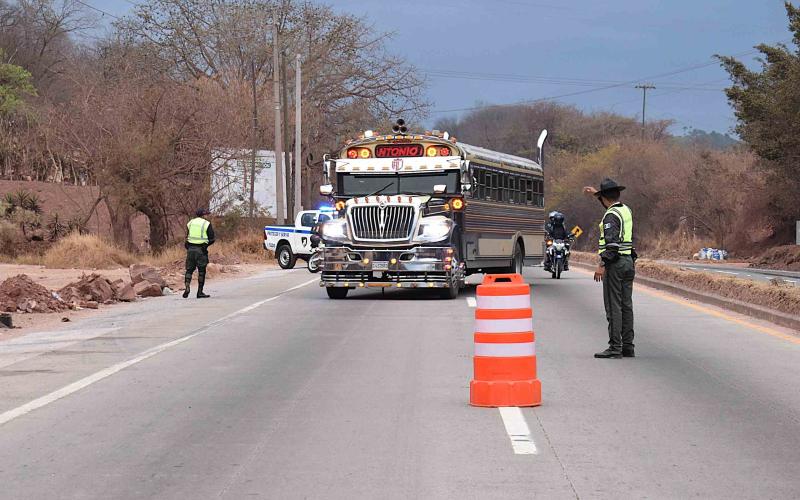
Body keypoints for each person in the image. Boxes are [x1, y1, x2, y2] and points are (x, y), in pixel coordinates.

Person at [582, 178, 636, 359]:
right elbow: (610, 207)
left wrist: (601, 265)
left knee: (613, 307)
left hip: (616, 264)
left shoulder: (610, 216)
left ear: (605, 198)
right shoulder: (625, 210)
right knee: (626, 306)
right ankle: (628, 346)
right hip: (628, 262)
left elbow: (611, 244)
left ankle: (615, 348)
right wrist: (597, 194)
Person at [184, 208, 215, 299]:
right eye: (206, 214)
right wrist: (205, 246)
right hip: (201, 250)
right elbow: (212, 239)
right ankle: (199, 292)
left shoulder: (190, 223)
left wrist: (188, 246)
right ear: (203, 215)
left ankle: (187, 286)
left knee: (189, 270)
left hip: (190, 249)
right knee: (201, 271)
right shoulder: (206, 224)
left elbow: (187, 236)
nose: (207, 216)